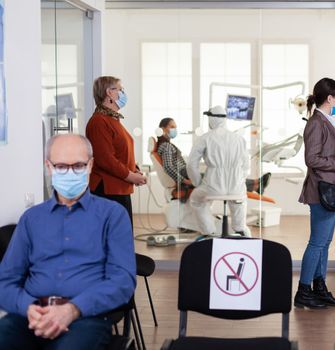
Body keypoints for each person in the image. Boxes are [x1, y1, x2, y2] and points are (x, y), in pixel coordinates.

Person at [0, 134, 136, 350]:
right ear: (49, 166)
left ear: (90, 165)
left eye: (79, 165)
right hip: (31, 316)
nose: (70, 172)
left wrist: (72, 309)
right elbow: (4, 280)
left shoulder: (112, 215)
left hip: (85, 318)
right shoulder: (31, 219)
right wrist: (29, 307)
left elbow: (123, 281)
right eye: (61, 166)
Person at [295, 78, 335, 309]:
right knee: (317, 243)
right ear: (329, 98)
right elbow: (312, 159)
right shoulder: (316, 123)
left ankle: (319, 288)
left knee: (325, 243)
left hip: (328, 189)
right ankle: (303, 291)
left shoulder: (325, 120)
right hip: (321, 190)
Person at [156, 117, 271, 202]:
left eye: (175, 127)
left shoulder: (167, 145)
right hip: (184, 174)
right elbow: (168, 167)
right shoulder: (166, 146)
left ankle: (256, 184)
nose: (174, 129)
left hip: (185, 172)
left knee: (221, 177)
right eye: (172, 127)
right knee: (221, 178)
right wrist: (184, 181)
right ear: (162, 129)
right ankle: (255, 184)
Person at [86, 76, 147, 224]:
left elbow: (121, 153)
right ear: (109, 93)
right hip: (108, 191)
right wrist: (130, 176)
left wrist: (134, 170)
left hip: (119, 188)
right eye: (121, 89)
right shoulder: (99, 122)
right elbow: (105, 159)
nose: (123, 93)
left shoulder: (112, 120)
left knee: (122, 238)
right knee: (115, 240)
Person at [187, 106, 251, 237]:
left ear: (211, 119)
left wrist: (197, 182)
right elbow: (246, 166)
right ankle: (239, 228)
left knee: (196, 199)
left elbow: (191, 164)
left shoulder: (205, 138)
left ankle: (209, 231)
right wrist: (240, 178)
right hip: (236, 186)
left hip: (212, 186)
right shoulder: (239, 139)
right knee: (239, 200)